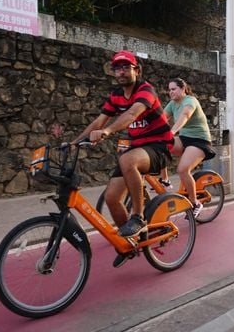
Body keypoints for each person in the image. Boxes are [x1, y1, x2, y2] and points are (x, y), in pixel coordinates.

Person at [73, 50, 173, 267]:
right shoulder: (116, 95)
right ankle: (129, 243)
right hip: (137, 149)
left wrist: (108, 132)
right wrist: (73, 142)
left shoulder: (146, 90)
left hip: (159, 147)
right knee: (111, 198)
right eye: (117, 68)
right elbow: (99, 121)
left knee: (127, 160)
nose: (121, 72)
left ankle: (138, 217)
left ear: (136, 70)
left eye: (126, 67)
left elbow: (131, 115)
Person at [163, 78, 216, 218]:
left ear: (183, 88)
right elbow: (161, 118)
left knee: (182, 169)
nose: (171, 92)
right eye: (169, 90)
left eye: (173, 89)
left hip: (199, 140)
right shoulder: (172, 104)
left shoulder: (190, 101)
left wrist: (172, 132)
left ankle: (195, 203)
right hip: (185, 138)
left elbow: (185, 115)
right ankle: (165, 180)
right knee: (160, 146)